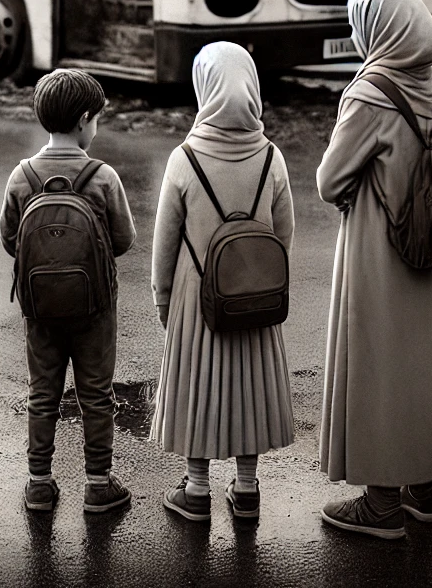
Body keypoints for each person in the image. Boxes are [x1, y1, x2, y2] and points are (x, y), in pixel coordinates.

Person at [318, 0, 432, 539]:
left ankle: (381, 504)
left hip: (379, 249)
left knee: (378, 366)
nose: (356, 34)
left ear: (379, 27)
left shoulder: (369, 93)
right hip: (431, 245)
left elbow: (329, 180)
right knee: (423, 364)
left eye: (360, 22)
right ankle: (424, 494)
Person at [150, 42, 295, 523]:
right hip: (254, 292)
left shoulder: (184, 159)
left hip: (198, 296)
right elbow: (284, 232)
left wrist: (163, 301)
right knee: (247, 387)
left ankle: (195, 490)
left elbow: (165, 243)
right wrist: (257, 279)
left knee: (197, 384)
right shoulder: (271, 157)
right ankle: (248, 488)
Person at [0, 69, 136, 514]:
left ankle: (39, 483)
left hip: (39, 308)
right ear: (83, 120)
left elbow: (9, 239)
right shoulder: (101, 175)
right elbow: (123, 239)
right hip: (94, 306)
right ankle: (98, 484)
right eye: (96, 119)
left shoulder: (22, 175)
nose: (96, 127)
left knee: (43, 392)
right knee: (96, 393)